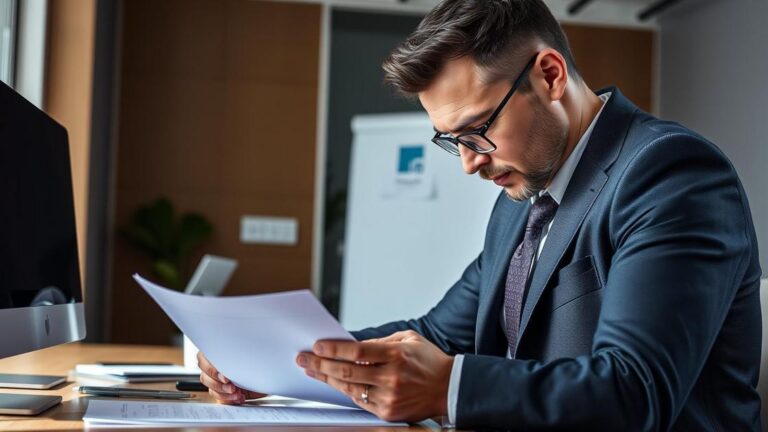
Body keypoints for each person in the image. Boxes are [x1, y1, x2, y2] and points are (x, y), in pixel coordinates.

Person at [197, 0, 763, 430]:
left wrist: (447, 389)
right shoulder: (520, 203)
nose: (469, 163)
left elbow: (637, 390)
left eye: (478, 130)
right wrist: (272, 359)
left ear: (549, 75)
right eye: (451, 140)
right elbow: (437, 335)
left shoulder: (670, 173)